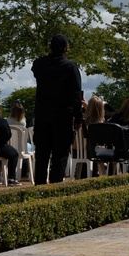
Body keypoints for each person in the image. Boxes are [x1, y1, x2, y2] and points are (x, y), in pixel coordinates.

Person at [31, 33, 84, 185]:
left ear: (50, 46)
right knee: (59, 156)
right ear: (66, 49)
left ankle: (39, 185)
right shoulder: (70, 67)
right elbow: (76, 94)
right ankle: (55, 187)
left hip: (42, 115)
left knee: (42, 154)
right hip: (62, 116)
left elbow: (36, 67)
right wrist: (78, 117)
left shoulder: (39, 64)